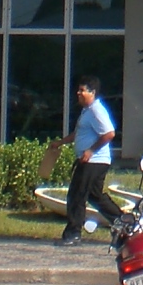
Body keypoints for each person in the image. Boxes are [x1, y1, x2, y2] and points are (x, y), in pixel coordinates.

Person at [58, 76, 121, 243]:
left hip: (93, 161)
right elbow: (78, 134)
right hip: (91, 161)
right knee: (95, 195)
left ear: (92, 92)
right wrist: (60, 143)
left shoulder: (96, 110)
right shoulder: (87, 111)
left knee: (77, 195)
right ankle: (123, 222)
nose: (78, 93)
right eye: (78, 90)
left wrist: (91, 151)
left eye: (82, 90)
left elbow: (109, 133)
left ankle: (73, 233)